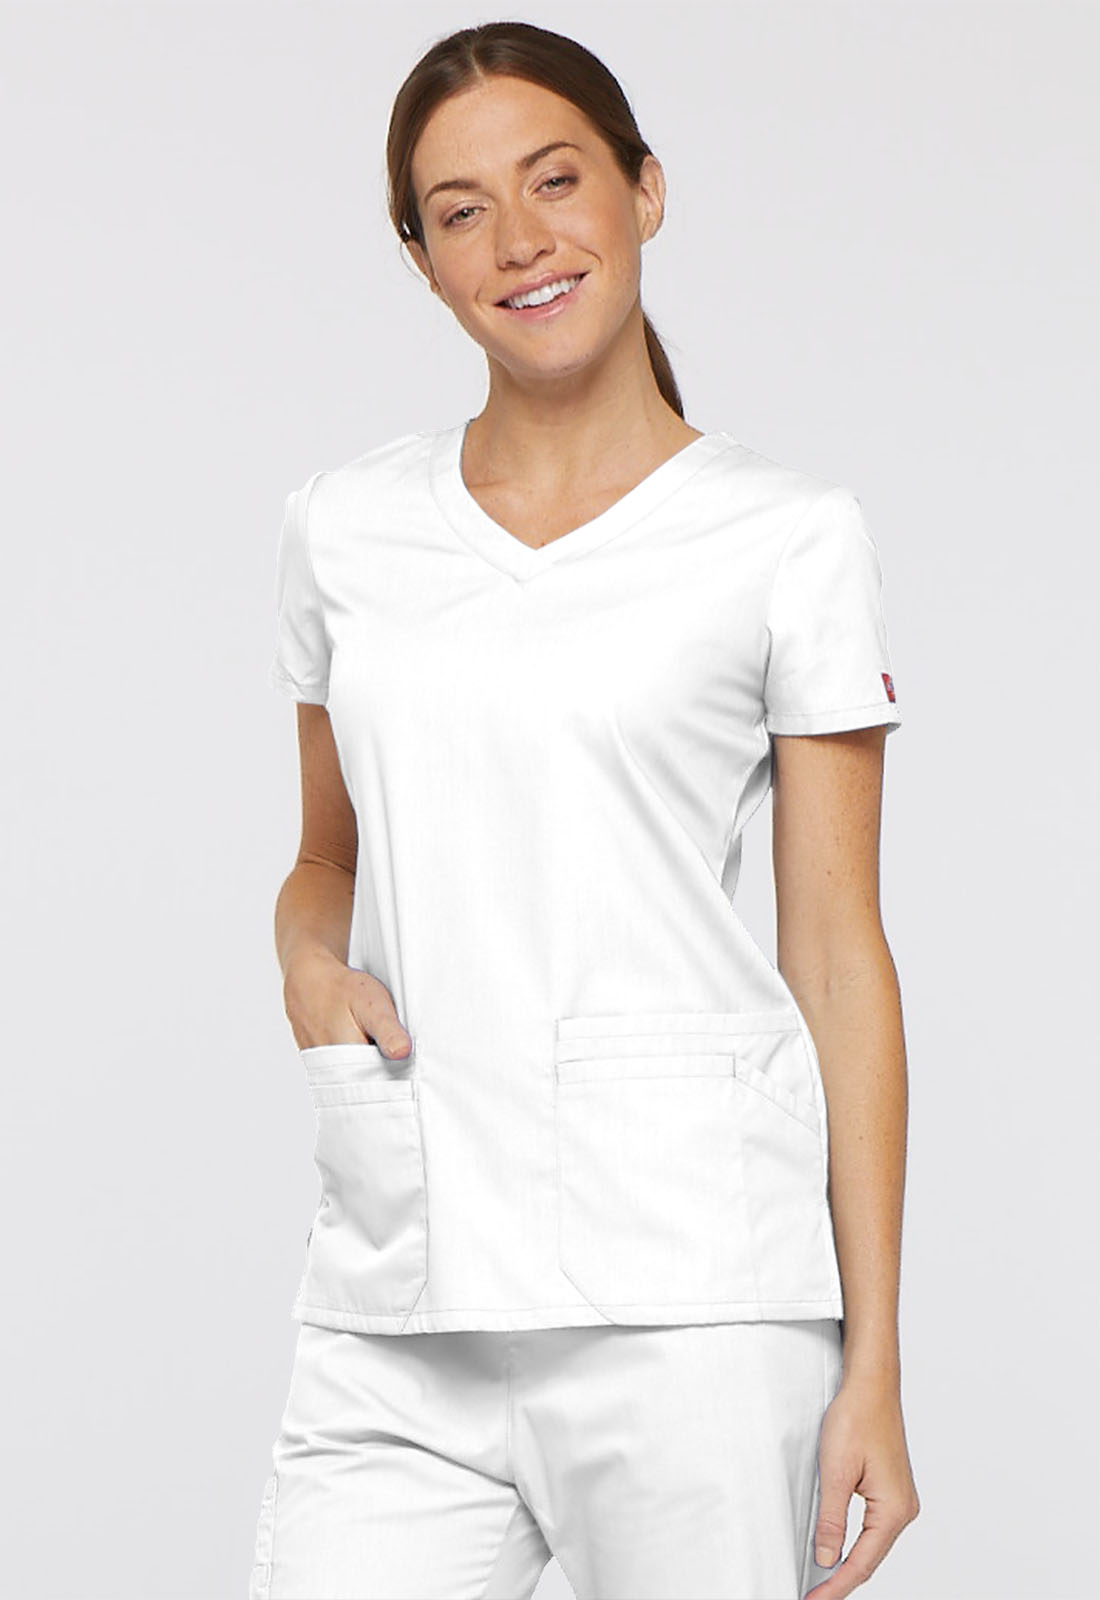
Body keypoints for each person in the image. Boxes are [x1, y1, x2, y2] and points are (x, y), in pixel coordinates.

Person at [248, 19, 920, 1600]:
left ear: (645, 190)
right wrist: (304, 963)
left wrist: (876, 1363)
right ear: (420, 259)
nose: (520, 239)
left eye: (557, 180)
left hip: (693, 1302)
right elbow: (325, 856)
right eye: (461, 209)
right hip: (402, 1295)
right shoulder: (345, 532)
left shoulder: (786, 538)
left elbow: (838, 957)